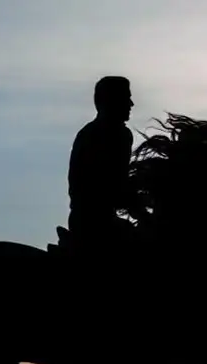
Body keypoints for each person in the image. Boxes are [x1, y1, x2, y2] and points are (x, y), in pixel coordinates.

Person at [64, 76, 143, 258]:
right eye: (126, 98)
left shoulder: (89, 132)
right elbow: (114, 186)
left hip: (87, 219)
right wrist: (141, 211)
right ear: (111, 101)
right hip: (96, 225)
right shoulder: (117, 135)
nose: (131, 104)